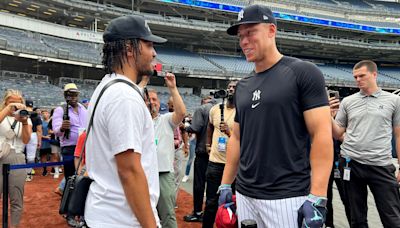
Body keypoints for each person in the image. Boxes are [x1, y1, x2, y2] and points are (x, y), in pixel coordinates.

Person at [219, 5, 333, 227]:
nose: (244, 41)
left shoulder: (303, 72)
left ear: (272, 30)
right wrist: (226, 184)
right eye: (240, 36)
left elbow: (321, 133)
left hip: (287, 195)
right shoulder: (243, 86)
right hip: (244, 193)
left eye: (250, 32)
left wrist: (318, 195)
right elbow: (237, 138)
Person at [84, 14, 167, 227]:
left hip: (106, 213)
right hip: (123, 219)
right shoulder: (124, 96)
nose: (154, 52)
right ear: (130, 49)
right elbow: (129, 171)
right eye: (148, 45)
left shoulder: (106, 86)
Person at [331, 60, 400, 228]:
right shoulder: (348, 102)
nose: (358, 79)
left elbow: (398, 135)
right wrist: (327, 116)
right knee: (357, 218)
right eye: (355, 76)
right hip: (350, 164)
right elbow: (337, 133)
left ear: (374, 74)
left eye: (362, 75)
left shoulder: (393, 100)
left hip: (380, 165)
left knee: (392, 217)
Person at [147, 75, 186, 227]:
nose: (151, 102)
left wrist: (173, 88)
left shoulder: (166, 119)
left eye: (154, 99)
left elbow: (181, 113)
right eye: (148, 99)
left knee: (167, 215)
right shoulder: (139, 121)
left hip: (163, 173)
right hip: (143, 174)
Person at [52, 83, 88, 227]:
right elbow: (56, 130)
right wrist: (62, 128)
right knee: (71, 181)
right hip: (69, 148)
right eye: (70, 94)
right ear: (65, 95)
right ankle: (69, 213)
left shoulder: (83, 109)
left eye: (75, 94)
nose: (73, 97)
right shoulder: (60, 110)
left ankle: (80, 212)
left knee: (84, 180)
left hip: (84, 146)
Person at [202, 80, 237, 227]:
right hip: (215, 163)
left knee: (234, 202)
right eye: (229, 87)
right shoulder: (215, 109)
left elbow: (246, 137)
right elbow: (210, 126)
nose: (231, 89)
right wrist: (208, 144)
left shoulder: (242, 111)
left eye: (234, 87)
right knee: (211, 202)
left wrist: (229, 132)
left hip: (234, 165)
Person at [0, 89, 32, 228]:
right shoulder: (2, 115)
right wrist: (8, 110)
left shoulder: (25, 117)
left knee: (16, 198)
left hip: (18, 157)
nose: (15, 105)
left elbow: (26, 140)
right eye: (11, 102)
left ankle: (13, 226)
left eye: (18, 103)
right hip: (1, 154)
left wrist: (24, 122)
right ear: (5, 102)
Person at [183, 96, 214, 222]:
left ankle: (197, 212)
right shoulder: (218, 109)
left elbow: (195, 127)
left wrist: (185, 126)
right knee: (213, 186)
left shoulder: (201, 109)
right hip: (216, 153)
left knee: (199, 185)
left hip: (202, 152)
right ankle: (212, 214)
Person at [24, 100, 42, 181]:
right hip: (33, 135)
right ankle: (28, 174)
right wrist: (39, 141)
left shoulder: (22, 113)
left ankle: (18, 174)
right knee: (31, 157)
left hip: (22, 133)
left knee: (19, 153)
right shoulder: (37, 116)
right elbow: (39, 130)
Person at [39, 109, 52, 176]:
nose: (45, 114)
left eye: (46, 113)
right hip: (43, 142)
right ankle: (44, 170)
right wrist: (44, 137)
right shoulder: (40, 122)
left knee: (53, 155)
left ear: (49, 114)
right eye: (43, 113)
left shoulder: (52, 121)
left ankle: (54, 169)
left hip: (52, 142)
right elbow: (38, 132)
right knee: (43, 156)